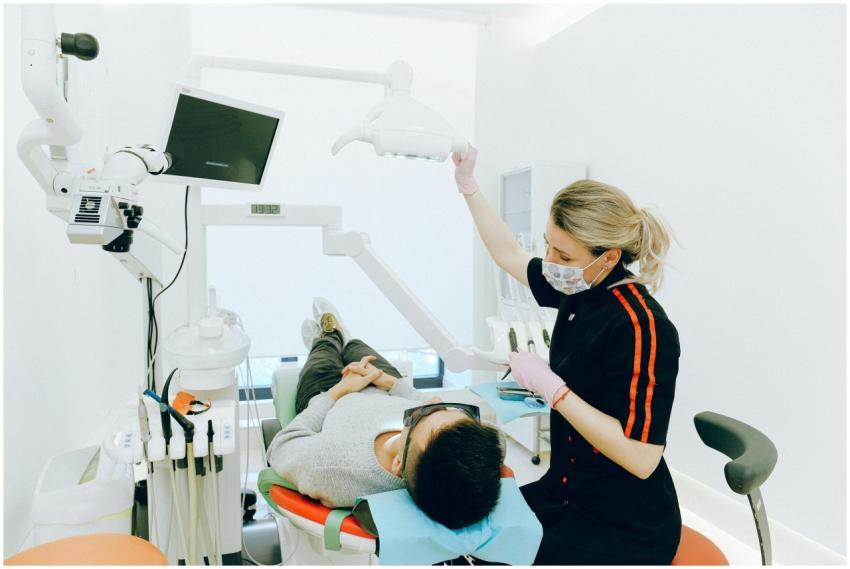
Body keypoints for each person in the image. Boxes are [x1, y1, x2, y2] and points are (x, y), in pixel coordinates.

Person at [452, 147, 682, 564]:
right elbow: (508, 254)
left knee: (484, 556)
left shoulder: (642, 326)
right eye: (549, 247)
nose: (551, 263)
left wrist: (554, 390)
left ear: (609, 258)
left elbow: (642, 458)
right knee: (459, 538)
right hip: (565, 492)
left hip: (626, 526)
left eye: (565, 255)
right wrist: (469, 188)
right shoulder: (578, 289)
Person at [265, 298, 505, 530]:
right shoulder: (438, 452)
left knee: (325, 350)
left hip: (327, 391)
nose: (432, 400)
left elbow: (281, 446)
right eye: (451, 409)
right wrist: (387, 381)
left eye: (426, 411)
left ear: (398, 464)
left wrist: (341, 389)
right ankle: (345, 338)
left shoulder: (329, 468)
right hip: (383, 386)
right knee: (357, 347)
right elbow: (494, 441)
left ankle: (328, 336)